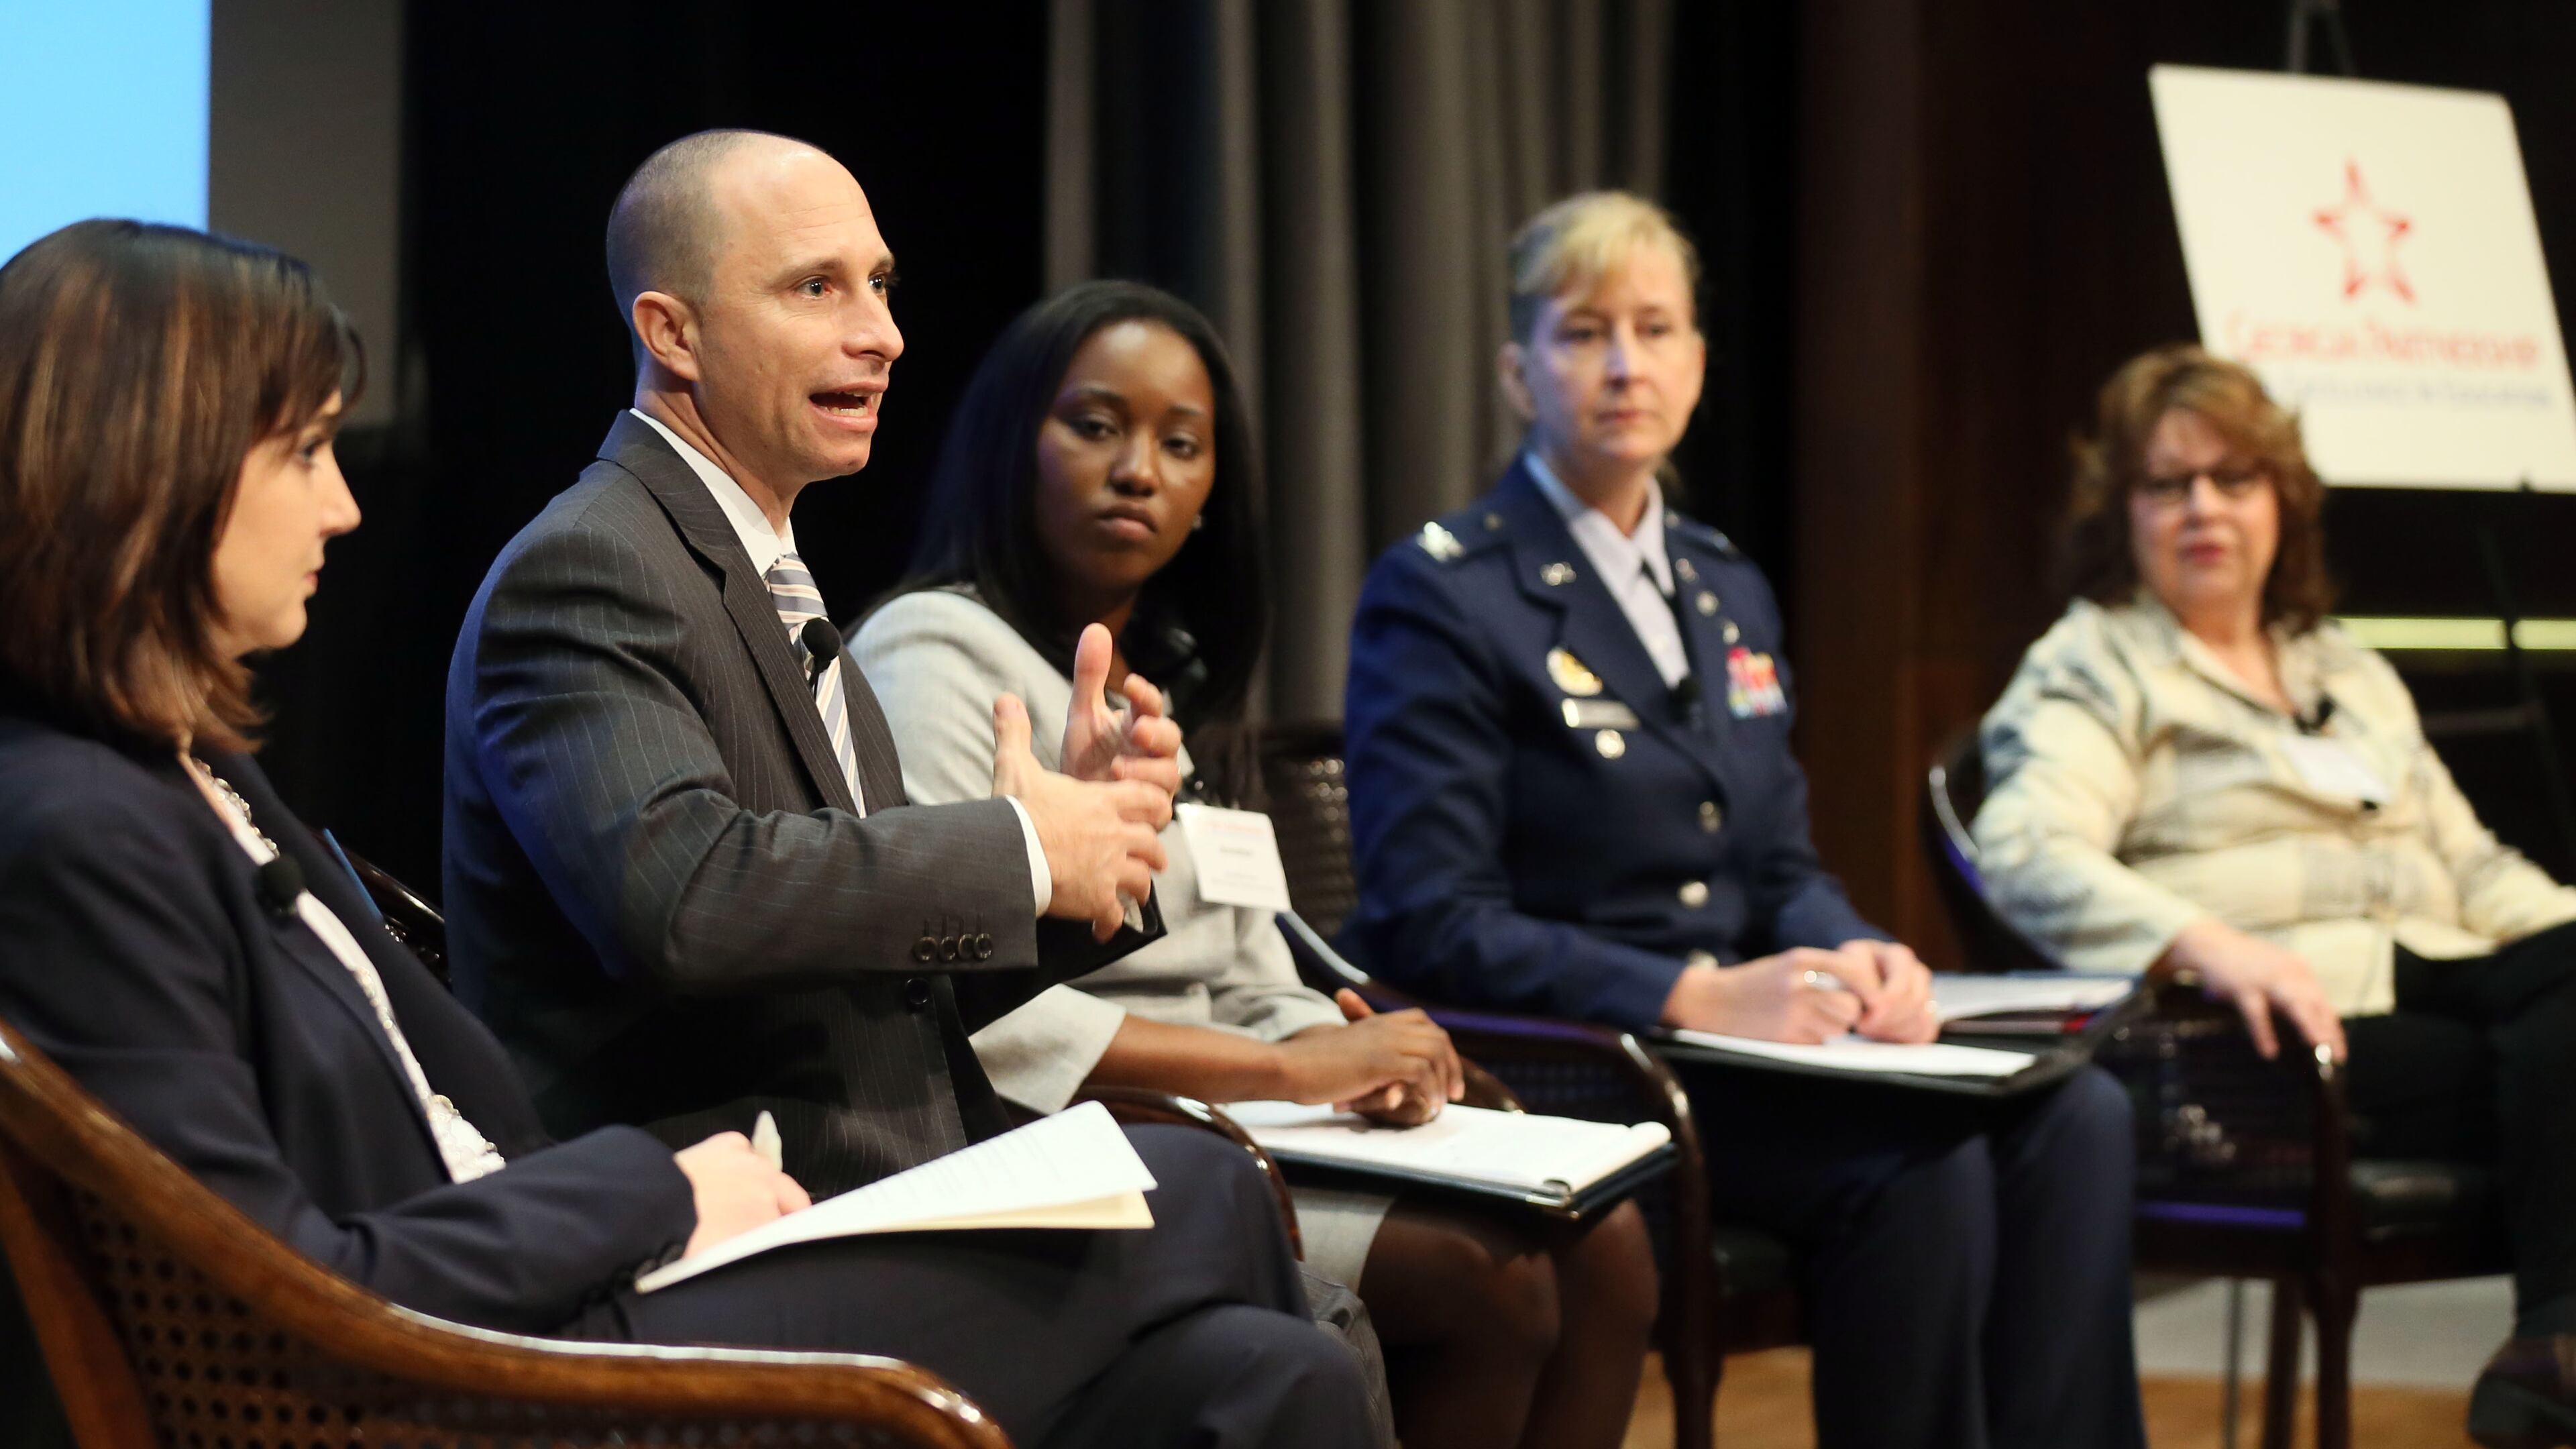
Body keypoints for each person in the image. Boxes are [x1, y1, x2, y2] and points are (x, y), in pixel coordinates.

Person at [0, 218, 1375, 1449]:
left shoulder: (200, 774)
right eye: (303, 450)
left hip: (574, 1275)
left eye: (883, 283)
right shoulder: (81, 827)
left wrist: (1067, 868)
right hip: (500, 1368)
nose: (347, 500)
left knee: (1263, 1377)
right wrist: (654, 1195)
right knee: (1197, 1191)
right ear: (149, 472)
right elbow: (272, 1280)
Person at [1341, 191, 2146, 1449]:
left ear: (1699, 363)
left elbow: (1778, 862)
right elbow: (1431, 921)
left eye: (1655, 329)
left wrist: (1858, 951)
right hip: (1589, 1065)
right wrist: (1688, 995)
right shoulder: (1445, 593)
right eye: (1583, 332)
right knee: (1920, 1170)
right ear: (1516, 371)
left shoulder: (1726, 584)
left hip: (1759, 1067)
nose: (1623, 364)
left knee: (2082, 1117)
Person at [851, 280, 1660, 1449]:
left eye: (1181, 445)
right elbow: (975, 1021)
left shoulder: (1168, 681)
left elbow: (1245, 954)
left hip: (1240, 1121)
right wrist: (1295, 1073)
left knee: (1612, 1250)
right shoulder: (932, 653)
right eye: (1095, 425)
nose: (1139, 469)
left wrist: (1363, 1056)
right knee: (1495, 1281)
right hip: (1079, 1146)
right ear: (1008, 443)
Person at [441, 129, 1180, 1196]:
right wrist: (1018, 848)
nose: (882, 335)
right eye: (816, 288)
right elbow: (688, 901)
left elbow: (875, 992)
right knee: (1225, 1220)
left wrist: (1077, 859)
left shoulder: (767, 571)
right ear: (673, 332)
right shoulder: (587, 569)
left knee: (1274, 1313)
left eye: (879, 285)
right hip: (725, 1217)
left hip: (886, 1176)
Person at [1974, 343, 2576, 1448]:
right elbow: (2023, 850)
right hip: (2254, 1046)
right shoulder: (2098, 665)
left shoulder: (2342, 669)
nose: (2205, 508)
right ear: (2124, 510)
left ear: (2281, 503)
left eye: (2234, 479)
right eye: (2169, 483)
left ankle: (2556, 1349)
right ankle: (2556, 1349)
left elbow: (2477, 868)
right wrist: (2208, 944)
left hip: (2435, 990)